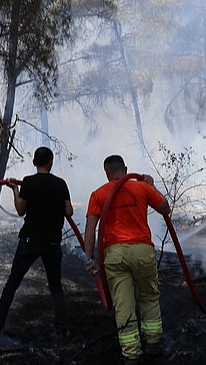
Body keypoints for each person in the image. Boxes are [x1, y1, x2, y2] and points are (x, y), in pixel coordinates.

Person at [83, 155, 171, 365]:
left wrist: (89, 258)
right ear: (126, 169)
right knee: (149, 296)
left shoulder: (98, 194)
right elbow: (165, 208)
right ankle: (154, 344)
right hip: (142, 250)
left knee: (123, 304)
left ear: (107, 173)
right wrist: (151, 186)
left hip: (115, 255)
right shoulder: (142, 188)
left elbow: (90, 228)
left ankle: (131, 354)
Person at [0, 146, 73, 338]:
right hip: (53, 241)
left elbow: (21, 210)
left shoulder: (28, 182)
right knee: (55, 286)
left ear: (34, 163)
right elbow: (69, 212)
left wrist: (15, 190)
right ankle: (61, 329)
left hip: (30, 239)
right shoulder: (61, 184)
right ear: (51, 162)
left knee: (12, 283)